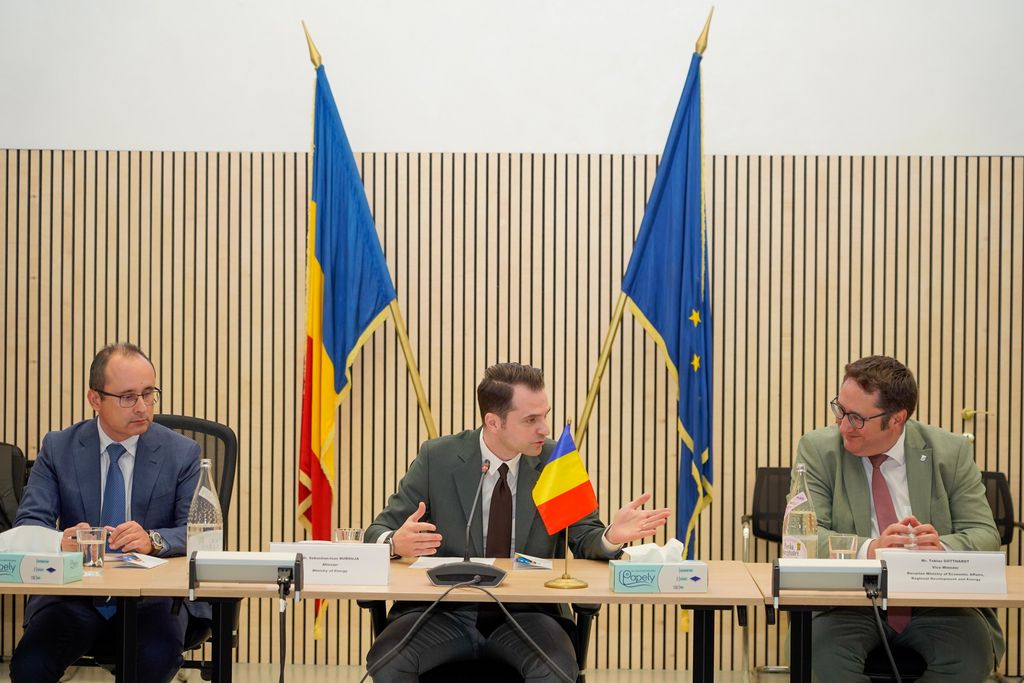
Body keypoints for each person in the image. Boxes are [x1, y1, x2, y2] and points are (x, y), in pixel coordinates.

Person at [364, 362, 672, 682]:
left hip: (528, 615)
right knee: (388, 661)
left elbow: (584, 537)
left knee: (553, 669)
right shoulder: (437, 457)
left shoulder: (555, 459)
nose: (545, 429)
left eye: (545, 415)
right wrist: (394, 543)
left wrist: (610, 535)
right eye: (531, 420)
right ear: (493, 422)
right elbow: (378, 530)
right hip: (443, 613)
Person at [794, 355, 1003, 682]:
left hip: (937, 603)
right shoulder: (819, 450)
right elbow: (804, 539)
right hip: (849, 602)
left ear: (897, 419)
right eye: (840, 410)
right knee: (821, 658)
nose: (843, 425)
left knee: (970, 657)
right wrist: (870, 549)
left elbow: (985, 534)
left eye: (857, 418)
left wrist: (939, 548)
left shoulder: (950, 452)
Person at [10, 343, 209, 683]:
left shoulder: (182, 452)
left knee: (154, 660)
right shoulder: (59, 448)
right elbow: (29, 523)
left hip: (152, 601)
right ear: (95, 399)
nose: (143, 407)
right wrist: (61, 542)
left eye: (149, 393)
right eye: (128, 397)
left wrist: (153, 539)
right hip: (74, 596)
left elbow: (200, 532)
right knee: (30, 665)